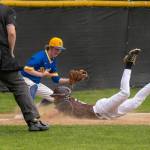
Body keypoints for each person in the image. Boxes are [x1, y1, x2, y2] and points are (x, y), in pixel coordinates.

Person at [51, 48, 149, 120]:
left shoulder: (66, 104)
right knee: (136, 101)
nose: (55, 97)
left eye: (57, 96)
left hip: (101, 109)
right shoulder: (66, 103)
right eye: (56, 96)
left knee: (125, 93)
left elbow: (55, 109)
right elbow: (51, 105)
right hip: (110, 114)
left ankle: (129, 65)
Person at [0, 4, 49, 131]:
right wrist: (10, 52)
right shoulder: (5, 10)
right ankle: (33, 121)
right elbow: (11, 33)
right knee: (19, 86)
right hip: (2, 56)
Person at [21, 37, 71, 106]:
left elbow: (56, 79)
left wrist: (70, 80)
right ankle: (27, 113)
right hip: (24, 79)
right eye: (56, 49)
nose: (58, 51)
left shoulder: (53, 60)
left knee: (54, 97)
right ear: (50, 47)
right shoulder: (40, 57)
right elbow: (26, 69)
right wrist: (41, 74)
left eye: (60, 50)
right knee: (33, 86)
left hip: (36, 83)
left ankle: (36, 109)